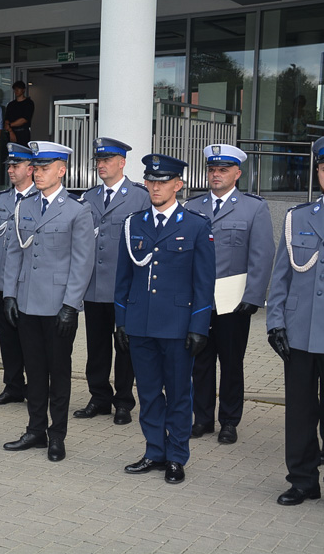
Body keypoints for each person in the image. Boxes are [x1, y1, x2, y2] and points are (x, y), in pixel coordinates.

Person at [115, 154, 216, 484]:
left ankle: (176, 456)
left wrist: (199, 326)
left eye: (162, 181)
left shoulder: (196, 226)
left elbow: (204, 283)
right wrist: (121, 321)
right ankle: (154, 451)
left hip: (177, 326)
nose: (155, 187)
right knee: (147, 393)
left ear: (178, 184)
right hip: (141, 323)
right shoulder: (134, 224)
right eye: (151, 181)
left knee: (177, 393)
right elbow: (124, 278)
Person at [2, 141, 95, 462]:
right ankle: (35, 430)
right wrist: (10, 293)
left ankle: (58, 435)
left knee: (59, 372)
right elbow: (15, 251)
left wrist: (71, 304)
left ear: (62, 170)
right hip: (27, 303)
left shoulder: (76, 209)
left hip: (58, 307)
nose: (37, 174)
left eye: (44, 168)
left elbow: (83, 262)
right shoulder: (24, 206)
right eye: (36, 168)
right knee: (35, 371)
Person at [185, 144, 274, 444]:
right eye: (212, 169)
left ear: (237, 173)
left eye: (223, 170)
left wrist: (254, 296)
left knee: (232, 362)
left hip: (234, 302)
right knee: (200, 361)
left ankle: (230, 421)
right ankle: (203, 419)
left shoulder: (254, 208)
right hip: (199, 301)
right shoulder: (193, 207)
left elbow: (262, 255)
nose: (216, 175)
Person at [265, 136, 324, 505]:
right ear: (318, 172)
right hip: (300, 332)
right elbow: (281, 276)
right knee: (300, 412)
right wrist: (274, 323)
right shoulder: (298, 218)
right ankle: (303, 480)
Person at [75, 138, 150, 426]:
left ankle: (123, 401)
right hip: (94, 286)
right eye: (98, 160)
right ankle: (99, 397)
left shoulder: (139, 197)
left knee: (125, 346)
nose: (101, 165)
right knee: (96, 346)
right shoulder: (88, 197)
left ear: (122, 163)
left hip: (125, 288)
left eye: (107, 160)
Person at [0, 144, 36, 406]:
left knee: (29, 338)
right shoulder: (0, 199)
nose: (11, 170)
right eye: (9, 166)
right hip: (2, 281)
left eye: (16, 166)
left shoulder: (40, 198)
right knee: (7, 338)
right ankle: (13, 386)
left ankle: (36, 388)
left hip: (28, 283)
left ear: (31, 168)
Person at [5, 81, 35, 146]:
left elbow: (24, 120)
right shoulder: (11, 104)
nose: (16, 91)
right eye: (15, 89)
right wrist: (10, 131)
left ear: (23, 90)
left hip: (23, 133)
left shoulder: (29, 103)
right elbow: (6, 119)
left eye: (18, 89)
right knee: (12, 154)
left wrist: (10, 125)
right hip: (11, 132)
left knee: (23, 153)